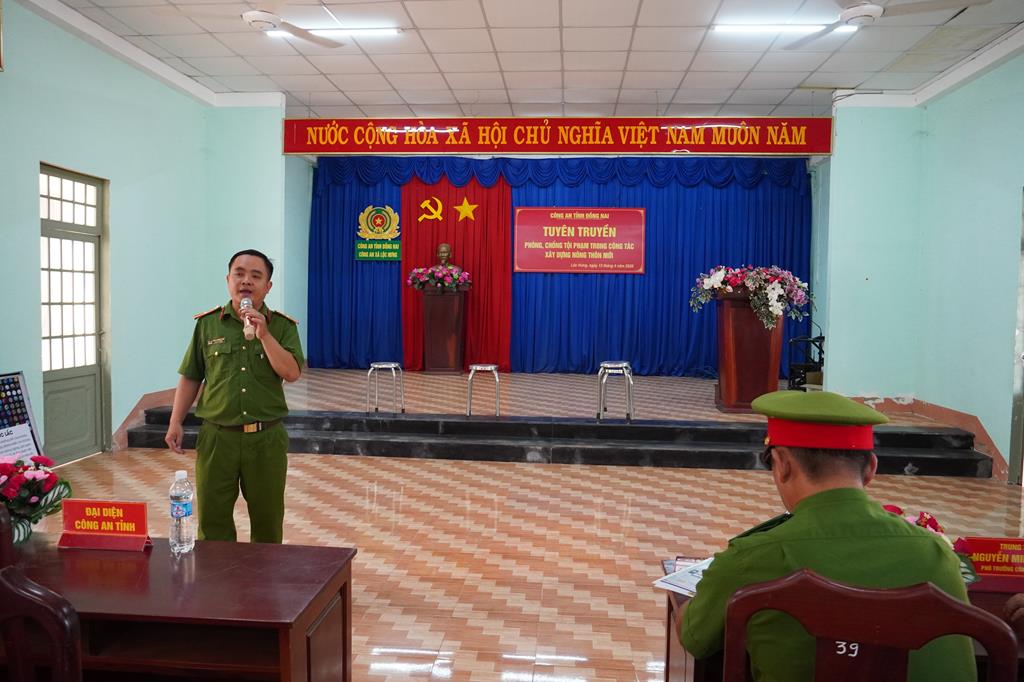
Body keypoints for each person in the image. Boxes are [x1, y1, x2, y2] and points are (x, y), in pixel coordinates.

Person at [680, 390, 976, 682]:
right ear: (871, 469)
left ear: (782, 464)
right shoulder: (935, 552)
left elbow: (695, 638)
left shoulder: (752, 558)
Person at [164, 249, 304, 544]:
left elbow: (291, 372)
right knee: (213, 523)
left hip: (265, 440)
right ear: (228, 280)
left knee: (267, 522)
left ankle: (263, 573)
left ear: (268, 286)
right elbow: (191, 375)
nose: (246, 281)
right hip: (217, 439)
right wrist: (176, 421)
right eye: (239, 274)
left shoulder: (282, 326)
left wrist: (265, 335)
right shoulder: (208, 324)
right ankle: (218, 574)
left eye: (256, 276)